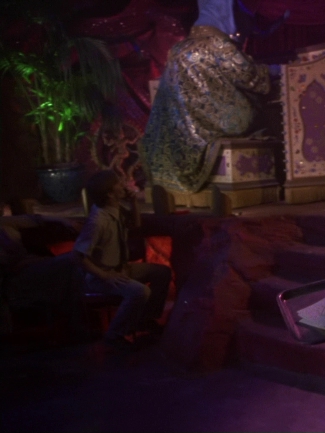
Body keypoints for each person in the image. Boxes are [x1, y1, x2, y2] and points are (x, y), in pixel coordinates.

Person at [140, 0, 273, 194]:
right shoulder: (219, 45)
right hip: (221, 121)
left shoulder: (178, 48)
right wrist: (269, 71)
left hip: (180, 126)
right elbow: (250, 77)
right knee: (262, 109)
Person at [73, 170, 171, 350]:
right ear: (110, 194)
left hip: (121, 268)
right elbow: (78, 256)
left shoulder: (114, 209)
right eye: (118, 183)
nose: (123, 185)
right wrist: (105, 275)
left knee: (161, 272)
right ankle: (114, 335)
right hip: (101, 276)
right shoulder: (98, 221)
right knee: (140, 292)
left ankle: (145, 320)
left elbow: (135, 224)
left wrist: (133, 203)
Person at [0, 213, 86, 340]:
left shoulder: (5, 222)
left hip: (32, 267)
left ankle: (78, 323)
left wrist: (66, 221)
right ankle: (76, 326)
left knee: (75, 260)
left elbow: (37, 219)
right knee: (70, 264)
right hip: (14, 280)